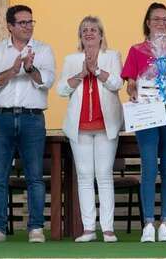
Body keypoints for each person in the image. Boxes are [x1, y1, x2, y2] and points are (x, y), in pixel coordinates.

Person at [0, 5, 55, 243]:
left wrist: (30, 69)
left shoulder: (43, 49)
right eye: (22, 22)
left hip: (32, 118)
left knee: (34, 176)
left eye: (30, 22)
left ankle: (36, 228)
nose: (28, 26)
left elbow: (47, 81)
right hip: (1, 117)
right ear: (10, 26)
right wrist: (13, 70)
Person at [122, 2, 166, 243]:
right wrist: (133, 91)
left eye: (165, 19)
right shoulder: (137, 51)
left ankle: (165, 223)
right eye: (157, 19)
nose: (161, 23)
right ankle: (148, 223)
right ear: (148, 23)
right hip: (147, 113)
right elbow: (131, 83)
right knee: (149, 166)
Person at [57, 16, 124, 243]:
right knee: (84, 176)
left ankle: (108, 229)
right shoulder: (71, 59)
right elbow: (61, 90)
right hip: (80, 127)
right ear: (80, 36)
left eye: (93, 29)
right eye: (84, 30)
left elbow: (117, 84)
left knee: (104, 174)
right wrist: (81, 74)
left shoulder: (112, 56)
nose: (89, 33)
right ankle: (88, 229)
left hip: (106, 125)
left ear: (101, 35)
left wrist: (96, 71)